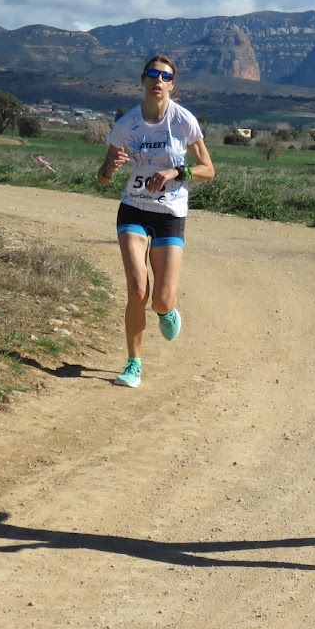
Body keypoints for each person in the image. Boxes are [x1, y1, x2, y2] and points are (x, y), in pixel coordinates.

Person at [97, 54, 215, 388]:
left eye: (165, 77)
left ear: (172, 85)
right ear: (143, 81)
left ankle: (166, 310)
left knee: (161, 297)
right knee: (137, 290)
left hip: (170, 214)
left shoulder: (183, 121)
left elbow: (209, 169)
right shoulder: (126, 125)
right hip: (133, 209)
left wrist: (177, 171)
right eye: (152, 75)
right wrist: (111, 168)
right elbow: (103, 177)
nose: (158, 81)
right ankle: (133, 363)